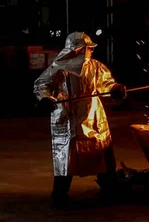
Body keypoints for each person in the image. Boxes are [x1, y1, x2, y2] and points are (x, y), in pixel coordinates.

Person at [34, 32, 127, 206]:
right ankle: (59, 194)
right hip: (67, 117)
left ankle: (109, 190)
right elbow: (42, 85)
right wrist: (45, 98)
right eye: (88, 48)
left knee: (102, 152)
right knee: (66, 158)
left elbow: (106, 83)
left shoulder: (96, 67)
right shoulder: (59, 68)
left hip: (93, 116)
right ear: (77, 50)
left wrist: (115, 87)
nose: (90, 51)